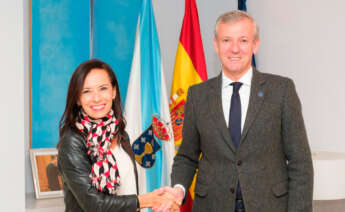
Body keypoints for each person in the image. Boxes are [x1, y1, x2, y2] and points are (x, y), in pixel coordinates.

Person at [159, 10, 314, 212]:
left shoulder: (281, 91)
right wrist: (179, 189)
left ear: (255, 44)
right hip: (212, 206)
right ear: (216, 45)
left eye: (243, 40)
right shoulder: (198, 95)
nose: (234, 49)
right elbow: (187, 156)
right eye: (226, 40)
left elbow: (300, 163)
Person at [57, 59, 179, 212]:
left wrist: (159, 201)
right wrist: (146, 200)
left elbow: (129, 189)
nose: (96, 98)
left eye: (103, 88)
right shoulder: (72, 142)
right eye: (86, 91)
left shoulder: (120, 133)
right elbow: (94, 204)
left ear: (113, 91)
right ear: (77, 99)